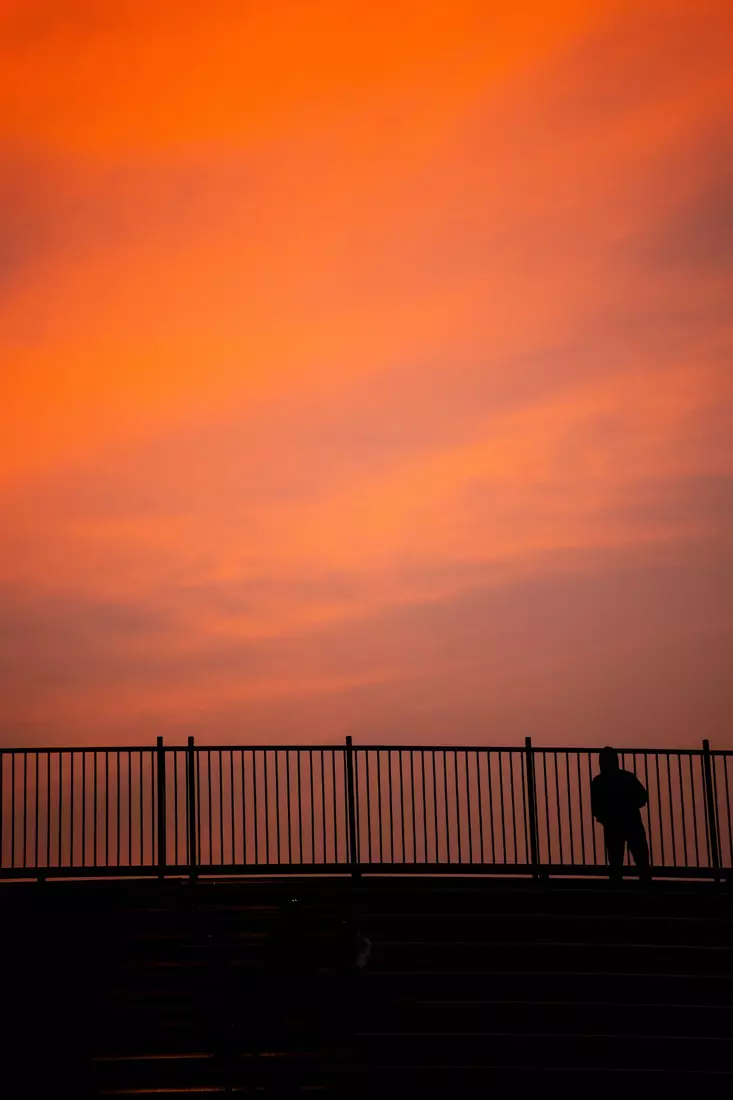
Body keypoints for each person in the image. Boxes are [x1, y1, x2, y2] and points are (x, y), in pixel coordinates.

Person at [591, 747, 651, 882]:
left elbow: (596, 807)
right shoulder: (628, 777)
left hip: (612, 823)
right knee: (640, 856)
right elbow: (643, 797)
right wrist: (630, 806)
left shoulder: (599, 781)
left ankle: (617, 885)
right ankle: (646, 884)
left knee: (615, 859)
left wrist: (604, 817)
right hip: (632, 820)